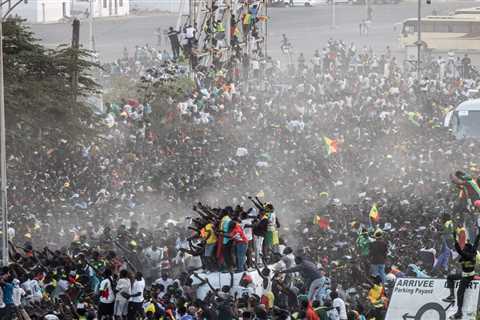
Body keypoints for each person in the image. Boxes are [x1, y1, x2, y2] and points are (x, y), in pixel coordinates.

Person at [444, 225, 480, 319]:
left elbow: (458, 249)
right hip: (467, 274)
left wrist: (454, 237)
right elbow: (476, 241)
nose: (463, 248)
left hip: (467, 277)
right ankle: (451, 295)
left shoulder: (465, 254)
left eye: (464, 248)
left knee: (460, 292)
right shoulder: (472, 251)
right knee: (450, 277)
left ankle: (459, 312)